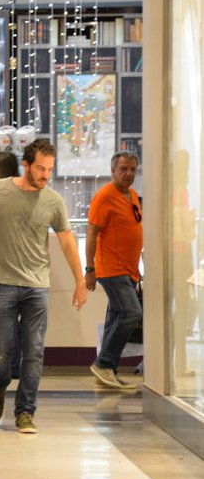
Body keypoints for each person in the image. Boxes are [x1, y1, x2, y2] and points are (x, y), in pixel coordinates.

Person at [0, 139, 87, 434]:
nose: (46, 175)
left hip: (37, 286)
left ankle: (25, 412)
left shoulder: (54, 201)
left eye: (50, 169)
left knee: (34, 352)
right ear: (26, 164)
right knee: (1, 350)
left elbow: (67, 242)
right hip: (3, 283)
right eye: (40, 168)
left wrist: (80, 281)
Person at [85, 151, 143, 390]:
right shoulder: (104, 196)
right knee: (131, 313)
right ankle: (104, 363)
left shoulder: (131, 195)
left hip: (129, 270)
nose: (128, 173)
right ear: (113, 171)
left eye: (132, 169)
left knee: (116, 318)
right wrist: (89, 268)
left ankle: (109, 371)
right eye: (123, 169)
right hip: (111, 268)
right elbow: (91, 233)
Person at [0, 151, 23, 378]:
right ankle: (15, 368)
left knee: (1, 322)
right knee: (18, 324)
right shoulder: (25, 192)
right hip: (23, 266)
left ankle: (2, 370)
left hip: (2, 267)